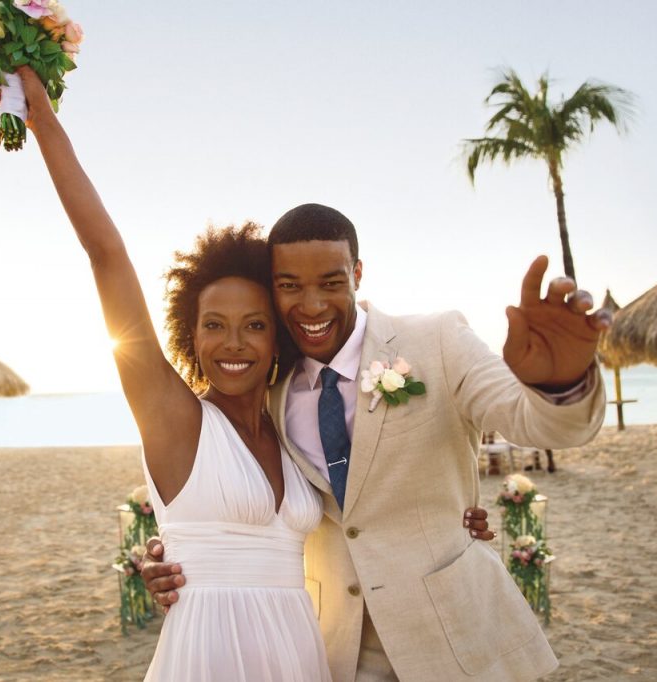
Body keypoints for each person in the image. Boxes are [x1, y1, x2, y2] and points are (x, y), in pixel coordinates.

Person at [143, 203, 610, 681]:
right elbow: (240, 486)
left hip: (459, 640)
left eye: (330, 282)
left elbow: (540, 424)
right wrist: (181, 552)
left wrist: (561, 384)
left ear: (357, 273)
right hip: (337, 650)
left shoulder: (439, 340)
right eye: (289, 286)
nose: (312, 305)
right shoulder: (272, 391)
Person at [16, 66, 330, 680]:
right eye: (214, 325)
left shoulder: (291, 427)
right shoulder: (175, 417)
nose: (232, 344)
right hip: (208, 657)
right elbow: (106, 253)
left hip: (299, 653)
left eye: (255, 325)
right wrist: (44, 122)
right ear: (191, 335)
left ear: (278, 340)